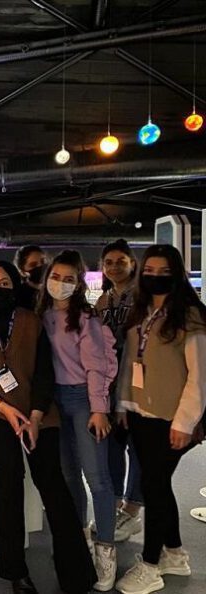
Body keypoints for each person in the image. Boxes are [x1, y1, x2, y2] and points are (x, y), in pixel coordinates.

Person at [0, 260, 96, 594]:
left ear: (15, 286)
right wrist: (2, 406)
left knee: (52, 480)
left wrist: (34, 416)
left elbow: (45, 371)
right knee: (8, 473)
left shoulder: (32, 320)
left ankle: (77, 573)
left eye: (4, 284)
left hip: (37, 408)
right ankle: (15, 571)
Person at [113, 244, 206, 594]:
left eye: (164, 272)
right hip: (140, 414)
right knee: (158, 485)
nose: (154, 277)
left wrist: (184, 423)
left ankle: (151, 564)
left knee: (154, 486)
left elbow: (199, 378)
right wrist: (123, 404)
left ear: (177, 274)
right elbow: (129, 362)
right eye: (149, 270)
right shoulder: (141, 313)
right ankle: (175, 554)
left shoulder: (191, 317)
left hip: (171, 419)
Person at [39, 250, 118, 591]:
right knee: (69, 477)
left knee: (97, 479)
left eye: (69, 279)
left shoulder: (87, 319)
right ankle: (79, 540)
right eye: (56, 277)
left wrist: (99, 409)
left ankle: (106, 549)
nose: (60, 283)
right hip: (53, 401)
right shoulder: (41, 315)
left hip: (83, 399)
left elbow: (98, 365)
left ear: (79, 283)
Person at [95, 238, 144, 542]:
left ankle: (133, 509)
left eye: (120, 261)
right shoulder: (103, 301)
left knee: (138, 446)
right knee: (112, 445)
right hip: (109, 382)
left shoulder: (143, 296)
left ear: (132, 263)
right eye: (109, 262)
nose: (114, 267)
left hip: (139, 381)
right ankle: (113, 505)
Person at [14, 245, 48, 310]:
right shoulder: (19, 296)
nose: (41, 266)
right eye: (33, 265)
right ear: (23, 272)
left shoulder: (56, 290)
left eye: (43, 262)